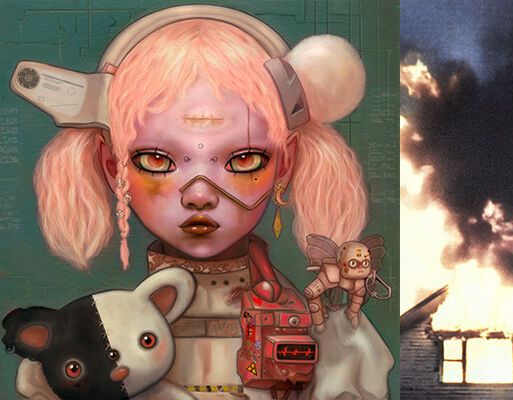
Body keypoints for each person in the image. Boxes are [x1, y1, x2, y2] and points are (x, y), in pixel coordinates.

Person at [18, 5, 392, 399]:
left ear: (286, 162)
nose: (200, 195)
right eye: (157, 160)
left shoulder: (333, 343)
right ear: (112, 166)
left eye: (243, 159)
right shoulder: (80, 343)